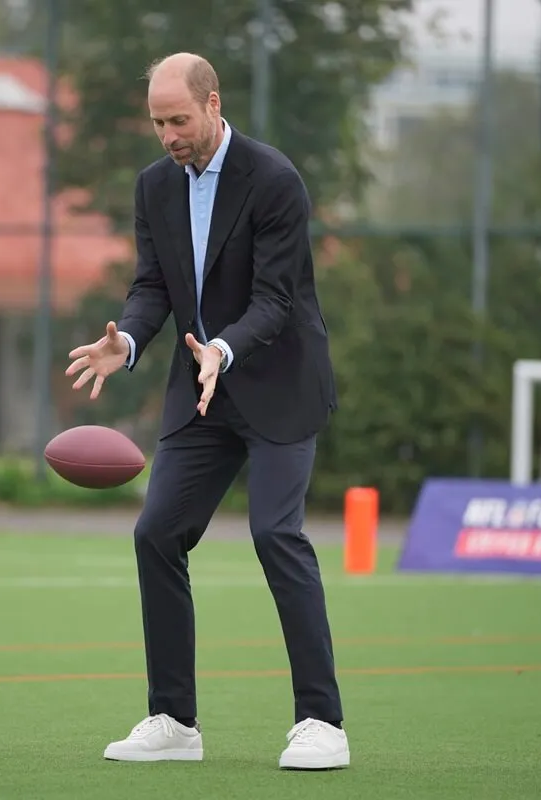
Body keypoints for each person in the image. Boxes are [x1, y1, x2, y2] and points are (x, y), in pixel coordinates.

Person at [64, 53, 348, 770]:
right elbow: (153, 286)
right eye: (158, 122)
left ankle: (322, 722)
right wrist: (125, 340)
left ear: (213, 104)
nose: (168, 136)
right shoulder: (154, 186)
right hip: (201, 392)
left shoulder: (275, 180)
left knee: (275, 533)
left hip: (278, 380)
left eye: (179, 120)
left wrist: (222, 348)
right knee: (156, 533)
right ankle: (174, 721)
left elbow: (276, 302)